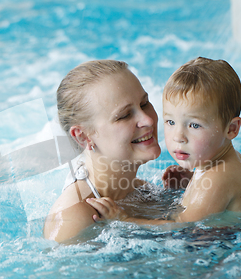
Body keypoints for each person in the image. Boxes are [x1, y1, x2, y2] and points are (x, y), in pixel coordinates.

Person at [86, 57, 241, 223]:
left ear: (231, 129)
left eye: (194, 125)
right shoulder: (227, 161)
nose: (178, 137)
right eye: (170, 122)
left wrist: (124, 219)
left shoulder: (217, 179)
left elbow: (180, 226)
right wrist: (192, 180)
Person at [43, 60, 163, 242]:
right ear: (83, 137)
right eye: (124, 116)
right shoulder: (74, 218)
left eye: (144, 103)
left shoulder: (141, 189)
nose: (148, 120)